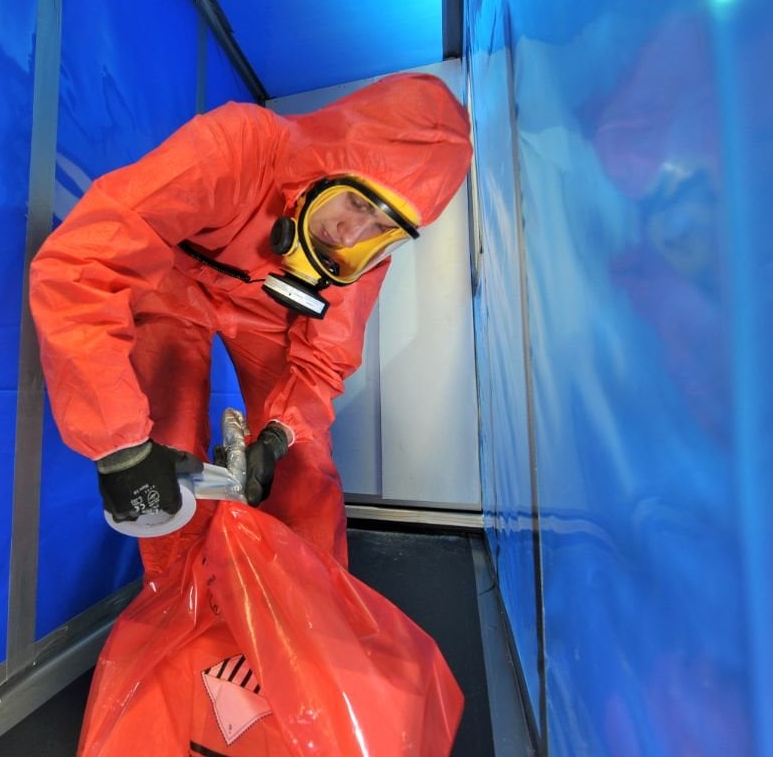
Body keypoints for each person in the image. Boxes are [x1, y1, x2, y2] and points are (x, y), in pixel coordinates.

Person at [30, 71, 472, 575]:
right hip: (172, 281)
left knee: (303, 465)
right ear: (332, 157)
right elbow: (84, 264)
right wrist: (120, 449)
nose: (350, 236)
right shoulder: (237, 146)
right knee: (168, 446)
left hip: (268, 311)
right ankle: (184, 601)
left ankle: (308, 599)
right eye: (357, 202)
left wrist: (280, 435)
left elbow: (325, 359)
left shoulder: (361, 258)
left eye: (383, 227)